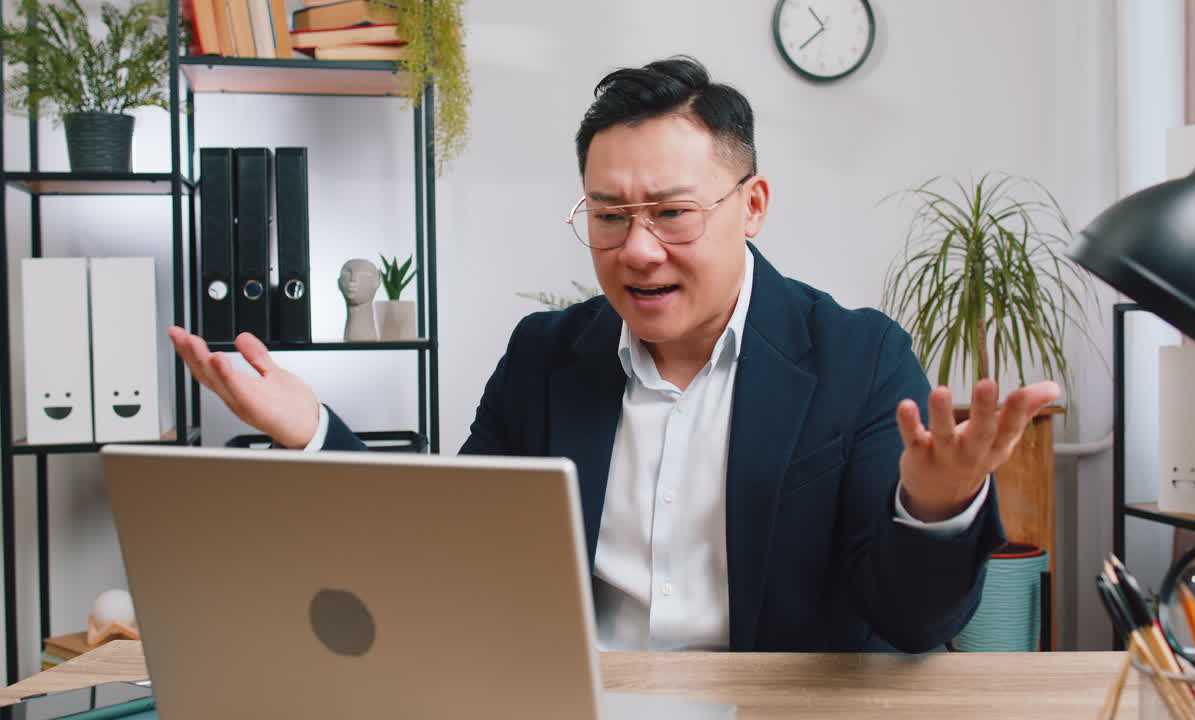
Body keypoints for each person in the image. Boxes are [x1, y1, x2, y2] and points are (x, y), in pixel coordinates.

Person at [169, 57, 1059, 653]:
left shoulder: (858, 358)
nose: (637, 251)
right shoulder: (545, 355)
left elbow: (910, 623)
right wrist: (315, 433)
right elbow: (452, 551)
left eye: (672, 214)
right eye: (608, 216)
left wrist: (937, 507)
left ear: (751, 206)